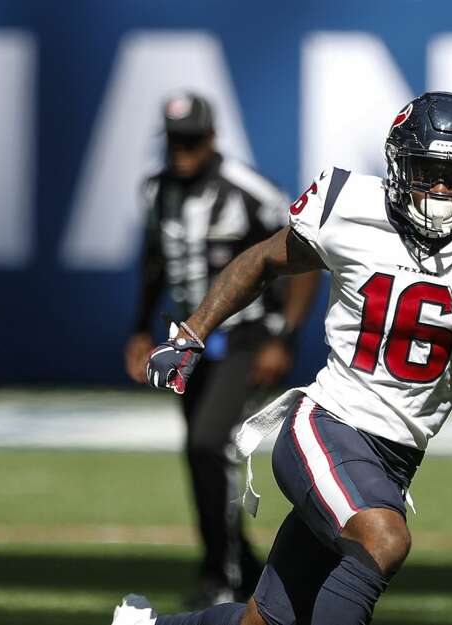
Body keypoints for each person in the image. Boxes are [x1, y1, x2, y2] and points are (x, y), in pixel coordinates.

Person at [114, 91, 452, 625]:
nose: (440, 189)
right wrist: (191, 331)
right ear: (399, 166)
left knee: (269, 620)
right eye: (427, 170)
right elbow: (261, 260)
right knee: (383, 539)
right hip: (328, 425)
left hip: (396, 455)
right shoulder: (351, 207)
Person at [125, 92, 320, 606]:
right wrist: (141, 329)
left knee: (209, 443)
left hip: (246, 337)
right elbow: (154, 261)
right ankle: (240, 567)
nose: (182, 152)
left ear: (212, 139)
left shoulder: (248, 190)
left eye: (191, 141)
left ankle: (222, 575)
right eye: (174, 142)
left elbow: (305, 257)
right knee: (199, 451)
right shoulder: (156, 191)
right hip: (188, 339)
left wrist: (284, 337)